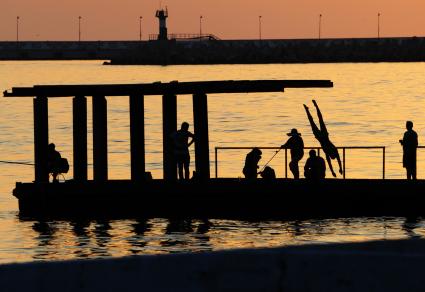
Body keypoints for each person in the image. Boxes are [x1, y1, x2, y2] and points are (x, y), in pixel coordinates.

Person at [303, 100, 342, 177]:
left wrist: (335, 171)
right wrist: (339, 169)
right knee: (319, 120)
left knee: (313, 121)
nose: (331, 157)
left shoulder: (328, 153)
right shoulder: (333, 150)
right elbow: (338, 161)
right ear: (332, 154)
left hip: (321, 137)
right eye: (332, 156)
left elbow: (331, 163)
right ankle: (315, 106)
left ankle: (307, 109)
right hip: (323, 136)